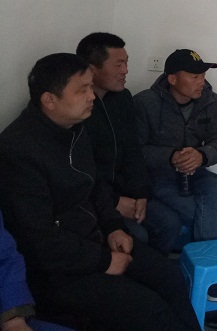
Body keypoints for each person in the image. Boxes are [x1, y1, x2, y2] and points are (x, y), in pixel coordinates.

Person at [0, 53, 199, 331]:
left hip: (95, 242)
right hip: (56, 273)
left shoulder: (75, 129)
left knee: (169, 276)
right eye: (82, 90)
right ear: (50, 100)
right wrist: (104, 260)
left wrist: (114, 227)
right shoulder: (18, 151)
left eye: (90, 87)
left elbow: (95, 185)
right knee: (150, 310)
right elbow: (39, 239)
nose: (92, 96)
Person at [133, 49, 217, 303]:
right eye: (194, 76)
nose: (202, 82)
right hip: (160, 176)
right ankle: (209, 278)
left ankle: (204, 276)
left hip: (196, 171)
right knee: (200, 213)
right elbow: (135, 150)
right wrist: (170, 156)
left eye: (203, 76)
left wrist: (202, 155)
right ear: (172, 79)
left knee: (216, 192)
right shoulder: (145, 103)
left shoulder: (211, 101)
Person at [76, 32, 152, 246]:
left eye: (126, 63)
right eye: (119, 65)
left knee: (168, 224)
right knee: (139, 235)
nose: (125, 70)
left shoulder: (122, 98)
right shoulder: (75, 110)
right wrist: (114, 201)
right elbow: (81, 169)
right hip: (95, 199)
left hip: (125, 191)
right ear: (92, 69)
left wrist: (141, 193)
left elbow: (133, 150)